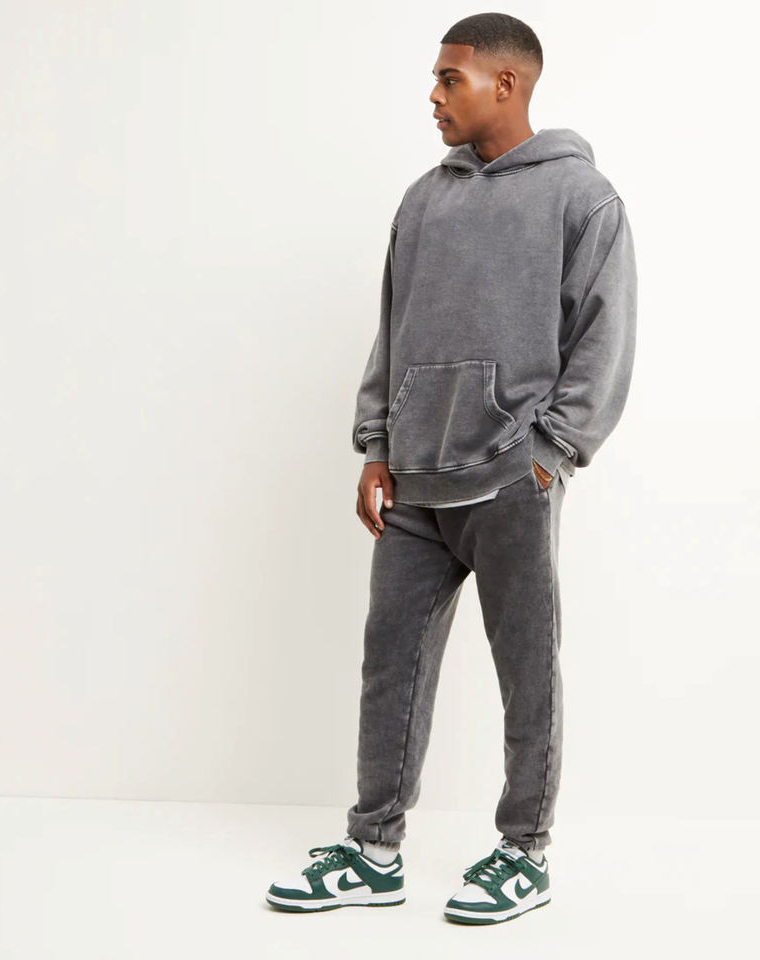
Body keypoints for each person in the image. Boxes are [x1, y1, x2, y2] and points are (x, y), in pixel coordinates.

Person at [265, 12, 637, 924]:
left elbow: (605, 340)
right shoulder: (423, 200)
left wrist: (549, 455)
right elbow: (392, 331)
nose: (432, 96)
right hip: (414, 485)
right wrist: (376, 446)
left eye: (449, 79)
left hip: (512, 481)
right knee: (389, 667)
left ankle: (524, 852)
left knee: (527, 672)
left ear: (505, 84)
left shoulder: (582, 198)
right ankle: (373, 850)